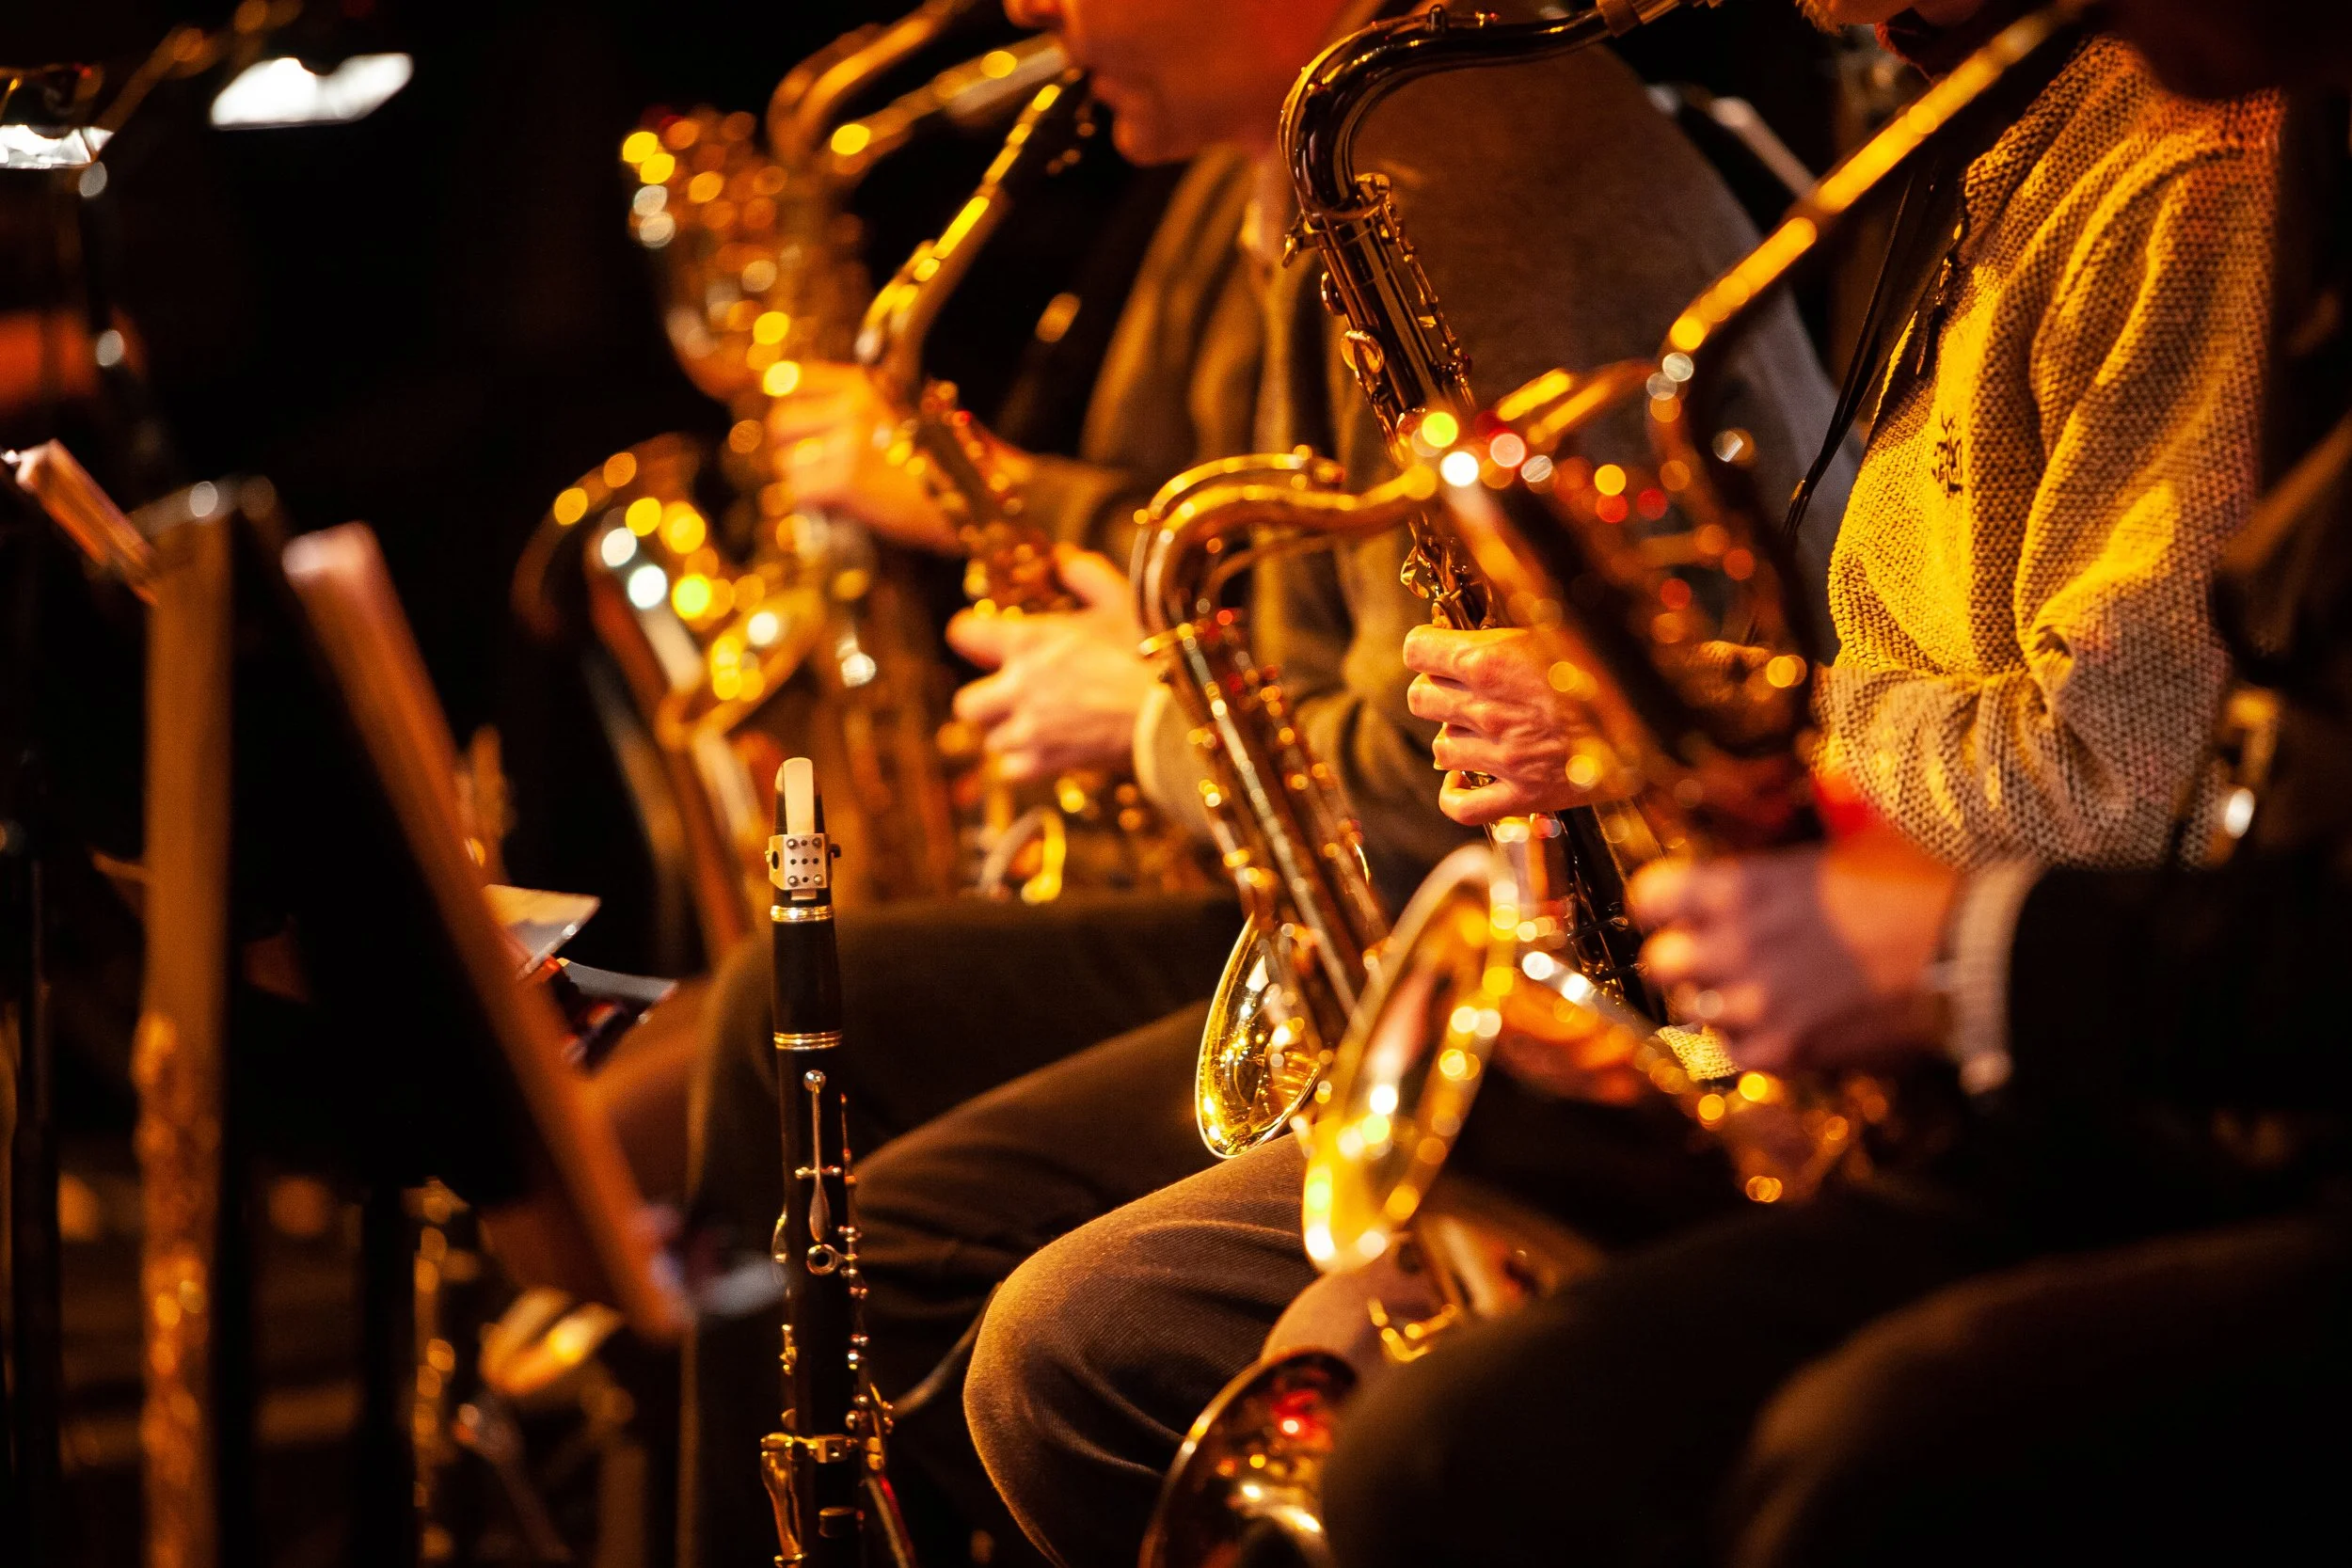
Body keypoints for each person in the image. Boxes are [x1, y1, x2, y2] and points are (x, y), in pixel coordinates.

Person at [679, 0, 1851, 1563]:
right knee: (847, 1127)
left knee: (951, 1274)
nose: (1033, 11)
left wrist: (1149, 713)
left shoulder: (1448, 147)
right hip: (1392, 921)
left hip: (1608, 954)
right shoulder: (1290, 158)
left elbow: (1444, 763)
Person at [1313, 4, 2328, 1564]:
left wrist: (1722, 742)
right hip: (2009, 1026)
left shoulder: (2200, 167)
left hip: (2114, 1069)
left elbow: (2136, 783)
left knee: (1458, 1446)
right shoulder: (2016, 139)